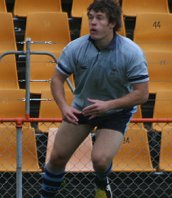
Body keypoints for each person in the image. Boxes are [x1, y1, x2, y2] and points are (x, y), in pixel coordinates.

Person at [41, 0, 149, 197]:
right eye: (91, 18)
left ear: (112, 23)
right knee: (57, 157)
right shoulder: (75, 48)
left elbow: (142, 94)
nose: (93, 23)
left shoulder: (131, 52)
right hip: (82, 109)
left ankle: (102, 182)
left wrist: (108, 105)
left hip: (115, 112)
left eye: (99, 18)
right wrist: (64, 107)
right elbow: (57, 79)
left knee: (99, 160)